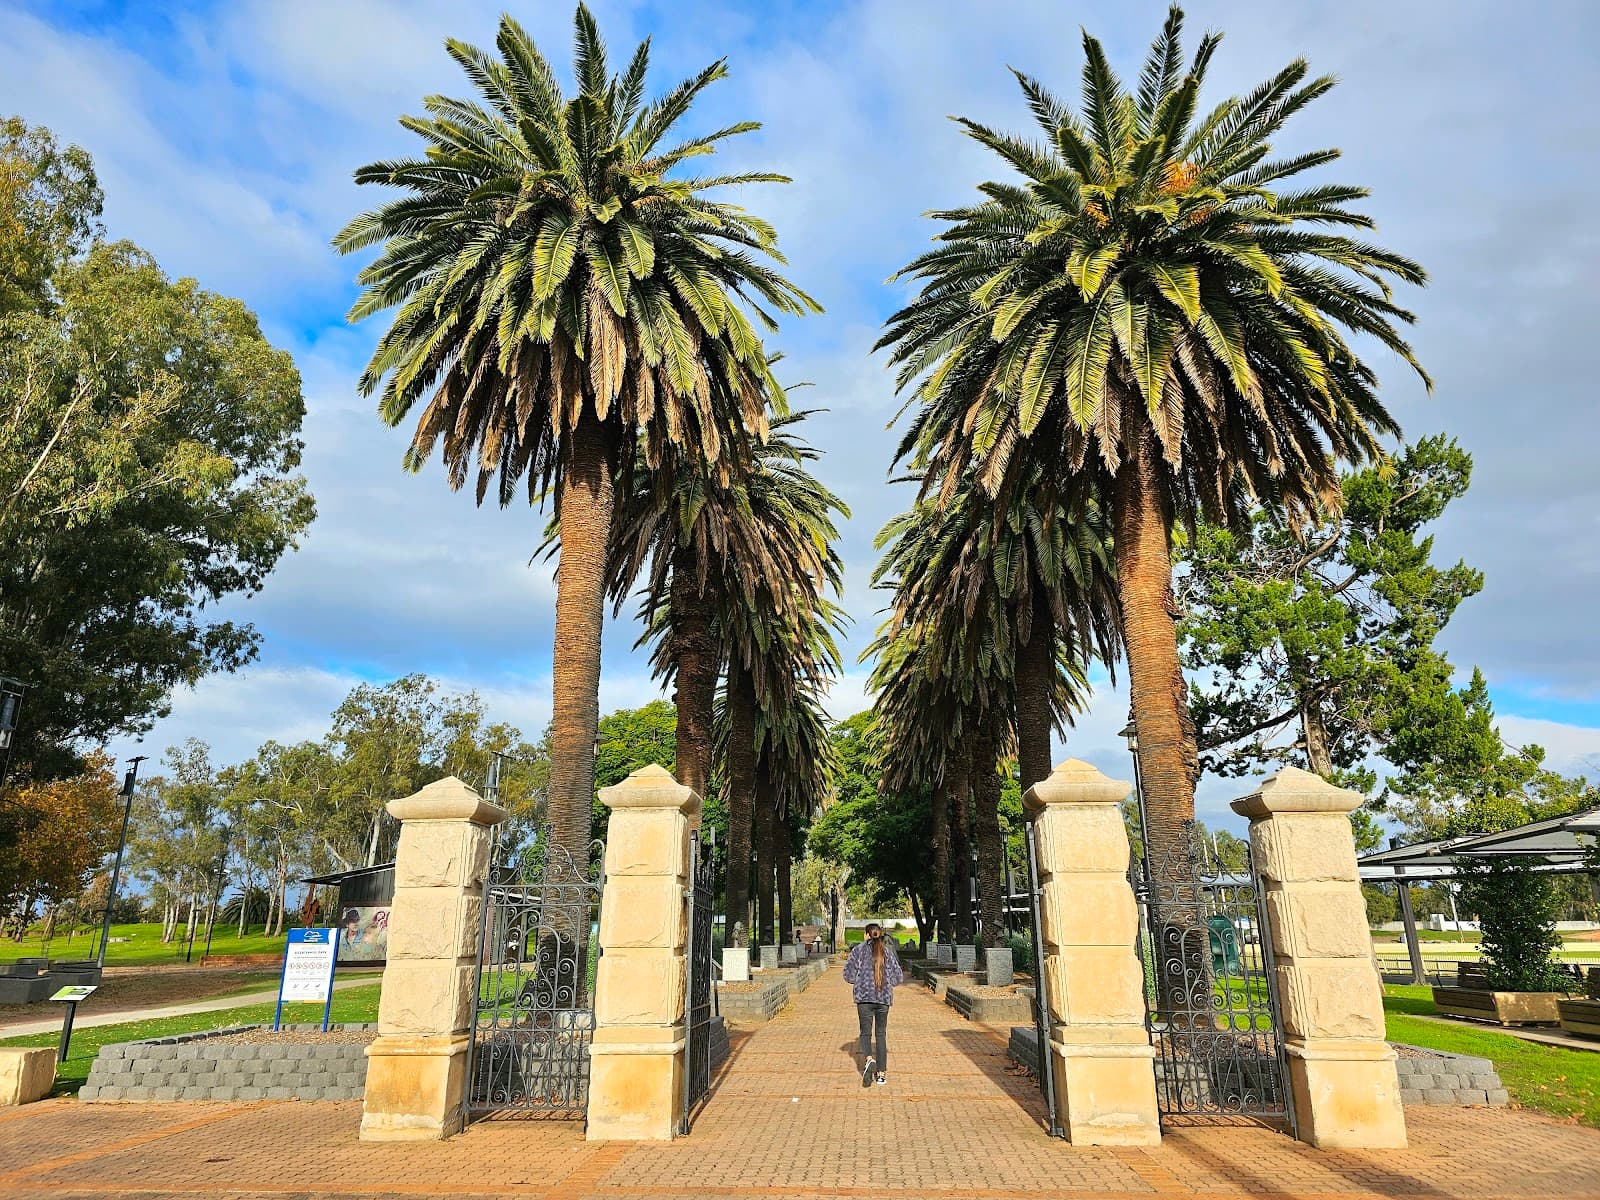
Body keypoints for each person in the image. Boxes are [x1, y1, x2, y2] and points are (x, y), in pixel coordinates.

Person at [842, 922, 903, 1087]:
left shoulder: (858, 951)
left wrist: (860, 981)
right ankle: (881, 1074)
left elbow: (848, 975)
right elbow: (898, 978)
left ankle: (869, 1060)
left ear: (867, 935)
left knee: (865, 1033)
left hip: (864, 999)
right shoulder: (887, 952)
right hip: (883, 999)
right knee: (881, 1034)